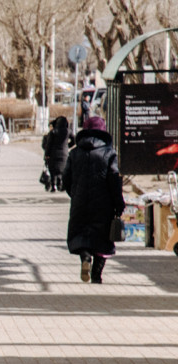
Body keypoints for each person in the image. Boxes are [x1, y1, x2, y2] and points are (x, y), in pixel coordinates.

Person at [64, 116, 124, 284]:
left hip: (80, 202)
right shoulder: (109, 153)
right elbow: (114, 180)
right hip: (103, 205)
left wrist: (75, 194)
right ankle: (97, 275)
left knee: (81, 235)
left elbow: (66, 178)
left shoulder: (74, 153)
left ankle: (85, 257)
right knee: (102, 239)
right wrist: (118, 203)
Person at [44, 116, 74, 192]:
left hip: (54, 153)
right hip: (64, 153)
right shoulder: (68, 131)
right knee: (62, 168)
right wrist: (68, 146)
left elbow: (49, 144)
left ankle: (53, 185)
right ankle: (60, 183)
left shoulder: (53, 132)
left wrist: (47, 154)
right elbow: (74, 140)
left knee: (53, 169)